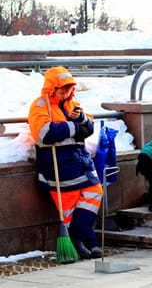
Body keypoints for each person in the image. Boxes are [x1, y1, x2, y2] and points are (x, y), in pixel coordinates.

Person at [28, 66, 103, 259]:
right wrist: (74, 126)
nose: (66, 92)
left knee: (95, 193)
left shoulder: (72, 104)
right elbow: (44, 133)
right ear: (52, 87)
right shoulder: (41, 105)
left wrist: (82, 120)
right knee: (69, 207)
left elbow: (89, 128)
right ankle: (88, 241)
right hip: (58, 163)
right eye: (62, 88)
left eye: (69, 88)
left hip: (80, 159)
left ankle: (78, 237)